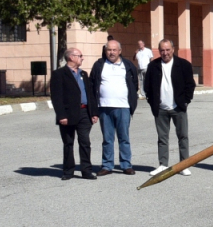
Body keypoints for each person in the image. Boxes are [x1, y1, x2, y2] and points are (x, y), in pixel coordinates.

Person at [143, 39, 195, 177]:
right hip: (160, 109)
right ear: (159, 51)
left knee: (183, 136)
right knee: (162, 138)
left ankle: (184, 164)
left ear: (173, 49)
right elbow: (147, 86)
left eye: (167, 50)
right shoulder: (153, 66)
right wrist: (152, 102)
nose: (165, 53)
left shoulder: (183, 65)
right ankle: (163, 165)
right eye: (162, 50)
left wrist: (185, 102)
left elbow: (190, 85)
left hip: (178, 107)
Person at [89, 39, 139, 175]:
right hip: (104, 108)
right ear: (105, 51)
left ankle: (126, 165)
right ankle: (107, 165)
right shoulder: (99, 65)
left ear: (120, 51)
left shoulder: (127, 65)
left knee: (124, 138)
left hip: (123, 107)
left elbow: (134, 84)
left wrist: (131, 101)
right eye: (109, 50)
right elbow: (92, 84)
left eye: (114, 50)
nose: (111, 52)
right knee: (107, 139)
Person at [50, 48, 98, 180]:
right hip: (68, 114)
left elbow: (90, 94)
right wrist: (61, 116)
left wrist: (93, 112)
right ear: (71, 57)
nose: (82, 58)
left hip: (84, 112)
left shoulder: (84, 74)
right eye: (80, 56)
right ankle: (68, 171)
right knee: (68, 143)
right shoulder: (59, 74)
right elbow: (56, 97)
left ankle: (86, 171)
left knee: (85, 142)